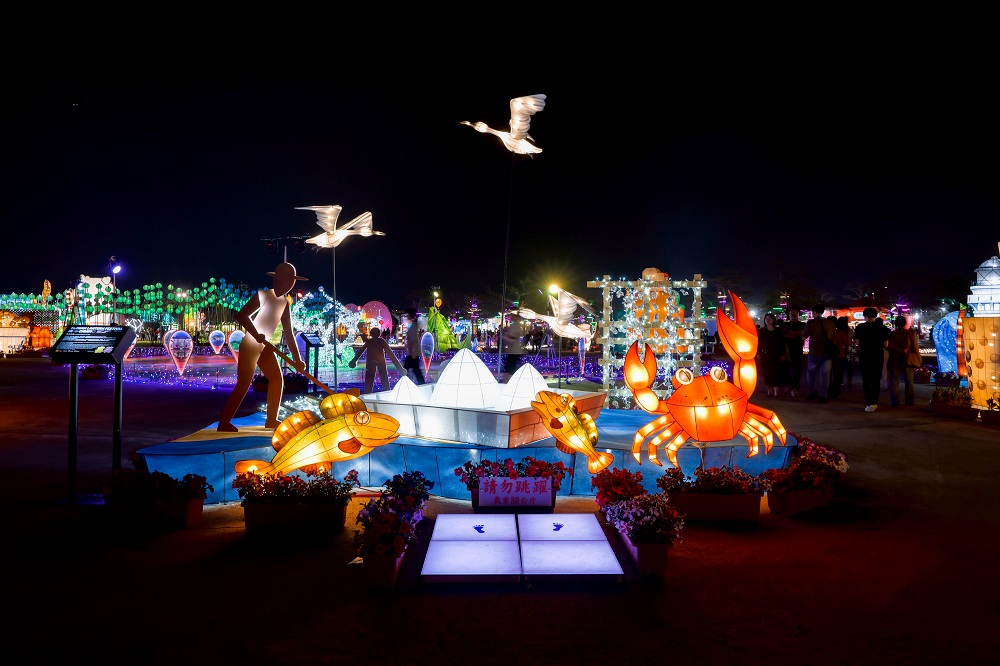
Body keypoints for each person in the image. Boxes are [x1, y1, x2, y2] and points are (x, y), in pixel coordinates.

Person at [217, 262, 307, 432]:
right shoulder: (263, 295)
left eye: (292, 281)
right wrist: (255, 332)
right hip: (251, 343)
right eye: (287, 279)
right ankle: (224, 422)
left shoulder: (284, 304)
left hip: (266, 346)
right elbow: (241, 315)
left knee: (277, 379)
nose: (289, 284)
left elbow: (288, 333)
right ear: (278, 279)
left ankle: (271, 420)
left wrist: (298, 360)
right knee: (243, 382)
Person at [852, 307, 892, 412]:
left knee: (866, 379)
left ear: (865, 316)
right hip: (878, 355)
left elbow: (858, 343)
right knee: (875, 379)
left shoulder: (860, 327)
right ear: (876, 316)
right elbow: (886, 344)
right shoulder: (883, 328)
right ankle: (874, 402)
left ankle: (869, 402)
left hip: (865, 355)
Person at [349, 326, 405, 394]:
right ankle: (386, 393)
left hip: (371, 362)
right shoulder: (381, 341)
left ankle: (368, 394)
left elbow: (360, 352)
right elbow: (391, 355)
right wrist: (400, 369)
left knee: (370, 381)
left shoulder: (370, 342)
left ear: (371, 334)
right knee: (384, 380)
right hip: (380, 361)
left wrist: (353, 361)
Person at [802, 304, 836, 403]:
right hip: (827, 353)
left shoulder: (811, 323)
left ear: (815, 312)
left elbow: (804, 336)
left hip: (814, 352)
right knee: (825, 376)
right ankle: (823, 396)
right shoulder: (830, 323)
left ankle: (812, 392)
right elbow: (833, 335)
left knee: (811, 373)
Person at [886, 315, 919, 407]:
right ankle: (909, 401)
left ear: (895, 324)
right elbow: (915, 347)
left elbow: (888, 346)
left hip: (895, 360)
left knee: (894, 382)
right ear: (905, 323)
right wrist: (919, 359)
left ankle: (895, 401)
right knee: (909, 381)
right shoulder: (911, 333)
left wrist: (898, 350)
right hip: (907, 359)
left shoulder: (892, 334)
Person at [756, 313, 789, 397]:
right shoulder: (762, 331)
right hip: (766, 355)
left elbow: (782, 343)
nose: (767, 320)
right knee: (767, 373)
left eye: (769, 318)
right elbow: (758, 343)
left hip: (776, 354)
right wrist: (758, 353)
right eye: (766, 318)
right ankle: (769, 391)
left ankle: (776, 391)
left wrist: (782, 354)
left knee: (777, 372)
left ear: (773, 320)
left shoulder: (778, 331)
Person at [783, 310, 806, 397]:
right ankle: (792, 386)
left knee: (797, 370)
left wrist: (788, 332)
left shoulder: (802, 324)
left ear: (798, 315)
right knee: (785, 369)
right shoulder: (785, 324)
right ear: (789, 315)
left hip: (798, 350)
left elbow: (802, 333)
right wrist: (794, 334)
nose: (793, 315)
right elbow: (783, 335)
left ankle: (794, 387)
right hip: (787, 350)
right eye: (791, 313)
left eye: (795, 313)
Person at [828, 315, 850, 399]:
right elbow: (847, 344)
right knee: (837, 375)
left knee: (827, 374)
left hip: (827, 356)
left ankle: (828, 390)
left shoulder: (826, 333)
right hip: (840, 355)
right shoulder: (840, 332)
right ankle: (836, 392)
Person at [403, 308, 426, 385]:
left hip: (413, 353)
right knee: (415, 369)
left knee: (407, 369)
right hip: (413, 352)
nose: (407, 316)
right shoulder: (414, 325)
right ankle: (421, 383)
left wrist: (413, 351)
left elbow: (414, 340)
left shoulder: (414, 326)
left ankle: (404, 383)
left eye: (407, 315)